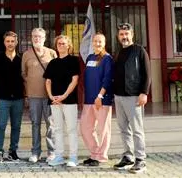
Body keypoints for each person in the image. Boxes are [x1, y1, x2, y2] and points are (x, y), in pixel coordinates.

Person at [113, 23, 151, 174]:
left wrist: (144, 92)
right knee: (124, 129)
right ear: (118, 36)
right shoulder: (119, 52)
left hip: (134, 96)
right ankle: (128, 157)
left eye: (126, 34)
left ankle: (140, 159)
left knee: (137, 130)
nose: (124, 37)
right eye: (121, 34)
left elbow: (147, 74)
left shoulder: (139, 50)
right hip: (119, 96)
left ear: (132, 35)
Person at [43, 35, 80, 167]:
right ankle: (58, 156)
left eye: (63, 43)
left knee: (71, 129)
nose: (61, 45)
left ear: (69, 45)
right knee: (57, 129)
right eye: (59, 43)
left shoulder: (74, 60)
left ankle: (73, 157)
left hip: (69, 100)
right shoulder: (53, 63)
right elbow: (48, 81)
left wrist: (64, 96)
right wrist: (51, 96)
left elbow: (75, 80)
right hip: (54, 101)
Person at [21, 27, 57, 163]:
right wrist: (28, 91)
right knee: (35, 124)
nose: (37, 39)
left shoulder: (52, 53)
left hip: (49, 96)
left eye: (39, 37)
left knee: (51, 124)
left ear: (44, 38)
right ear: (31, 38)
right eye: (34, 36)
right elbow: (23, 74)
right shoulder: (26, 54)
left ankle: (52, 152)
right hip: (33, 96)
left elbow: (57, 73)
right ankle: (35, 152)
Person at [80, 32, 114, 166]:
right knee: (85, 128)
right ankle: (94, 154)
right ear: (92, 42)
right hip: (89, 99)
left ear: (104, 43)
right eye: (95, 41)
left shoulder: (107, 59)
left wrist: (100, 96)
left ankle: (101, 156)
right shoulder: (89, 57)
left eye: (100, 41)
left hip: (101, 100)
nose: (97, 43)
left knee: (103, 129)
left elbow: (107, 78)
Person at [0, 31, 24, 162]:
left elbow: (25, 79)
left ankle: (13, 151)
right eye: (7, 41)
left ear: (16, 42)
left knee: (16, 126)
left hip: (18, 98)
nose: (10, 44)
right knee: (1, 126)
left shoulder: (21, 59)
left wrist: (26, 96)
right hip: (2, 98)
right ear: (4, 43)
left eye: (12, 41)